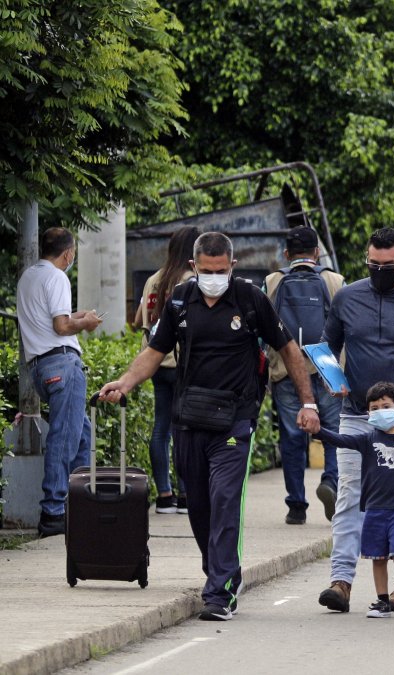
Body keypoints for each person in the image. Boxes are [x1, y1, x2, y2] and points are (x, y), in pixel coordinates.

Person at [99, 231, 321, 621]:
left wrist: (308, 402)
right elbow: (154, 351)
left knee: (224, 503)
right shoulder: (181, 300)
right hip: (190, 419)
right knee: (199, 507)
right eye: (206, 271)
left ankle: (220, 592)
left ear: (232, 266)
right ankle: (220, 573)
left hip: (235, 421)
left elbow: (288, 348)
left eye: (221, 270)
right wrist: (125, 382)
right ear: (193, 267)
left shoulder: (251, 299)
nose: (214, 277)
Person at [317, 227, 394, 614]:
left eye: (387, 265)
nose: (379, 270)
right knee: (350, 496)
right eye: (372, 264)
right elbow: (326, 348)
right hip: (358, 416)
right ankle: (341, 582)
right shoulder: (346, 297)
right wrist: (332, 380)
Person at [16, 227, 103, 537]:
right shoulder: (58, 277)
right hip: (62, 364)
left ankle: (78, 504)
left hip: (40, 367)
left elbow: (52, 319)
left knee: (81, 434)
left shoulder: (29, 277)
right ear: (69, 253)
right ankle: (54, 511)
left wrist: (80, 315)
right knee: (65, 438)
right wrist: (88, 323)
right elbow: (62, 325)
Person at [313, 382, 394, 618]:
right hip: (374, 509)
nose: (381, 411)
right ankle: (382, 601)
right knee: (378, 557)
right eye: (375, 408)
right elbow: (339, 440)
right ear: (368, 414)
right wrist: (317, 430)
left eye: (386, 406)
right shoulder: (366, 440)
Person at [262, 226, 345, 525]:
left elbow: (262, 328)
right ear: (317, 253)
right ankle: (331, 482)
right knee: (334, 432)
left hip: (285, 367)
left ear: (286, 254)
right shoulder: (334, 280)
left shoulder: (273, 281)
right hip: (328, 365)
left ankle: (296, 504)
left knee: (292, 436)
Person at [133, 226, 199, 515]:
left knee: (161, 429)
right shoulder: (192, 281)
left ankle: (164, 496)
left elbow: (139, 320)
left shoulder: (153, 280)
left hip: (157, 363)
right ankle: (185, 495)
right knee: (185, 430)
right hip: (185, 364)